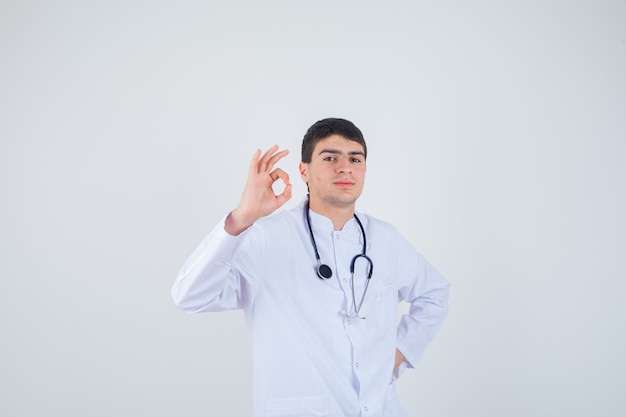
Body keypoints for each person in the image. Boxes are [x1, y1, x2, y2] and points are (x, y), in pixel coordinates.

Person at [172, 118, 450, 417]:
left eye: (355, 159)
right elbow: (190, 296)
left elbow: (434, 293)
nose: (345, 167)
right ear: (304, 170)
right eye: (330, 157)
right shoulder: (267, 237)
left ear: (364, 170)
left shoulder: (385, 239)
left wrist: (399, 354)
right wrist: (242, 217)